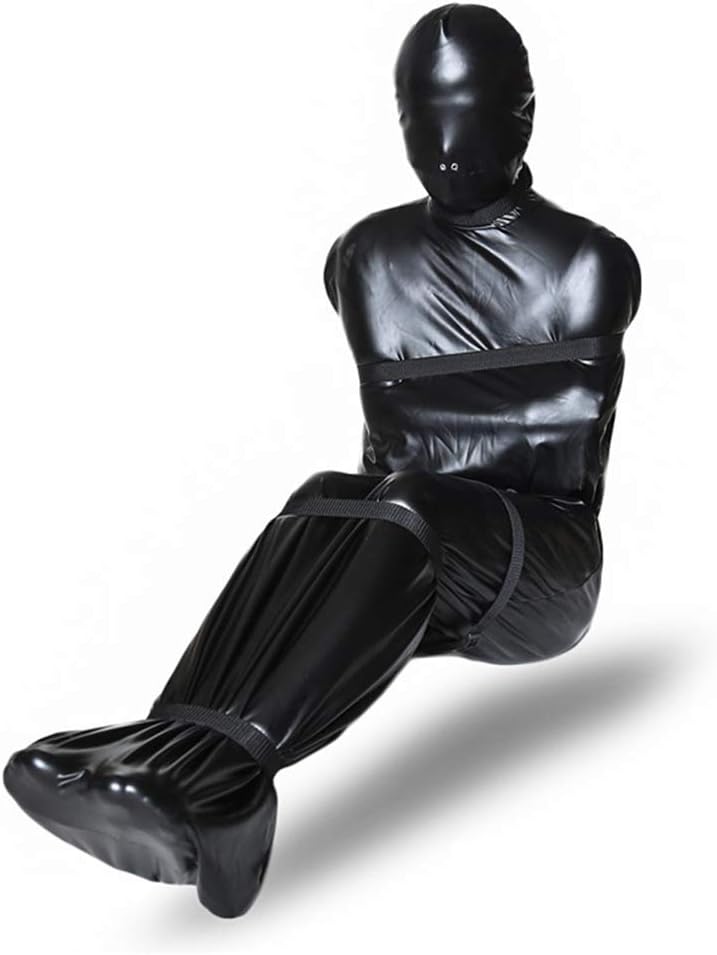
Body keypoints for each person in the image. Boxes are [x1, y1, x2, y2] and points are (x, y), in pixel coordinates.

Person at [3, 3, 642, 918]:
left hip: (543, 569)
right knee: (322, 493)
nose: (445, 147)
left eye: (468, 115)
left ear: (523, 115)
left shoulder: (590, 262)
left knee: (410, 497)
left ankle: (228, 779)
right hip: (406, 545)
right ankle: (166, 747)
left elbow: (529, 455)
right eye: (423, 118)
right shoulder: (365, 254)